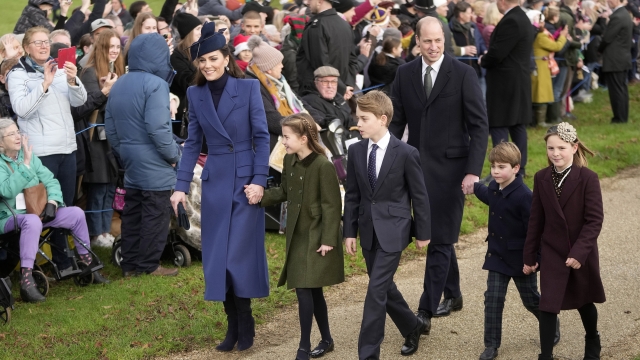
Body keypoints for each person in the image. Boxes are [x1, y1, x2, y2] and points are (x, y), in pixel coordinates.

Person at [169, 23, 269, 352]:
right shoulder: (195, 94)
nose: (208, 65)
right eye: (202, 61)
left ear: (226, 58)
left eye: (214, 58)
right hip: (214, 184)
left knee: (236, 259)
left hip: (244, 186)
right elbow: (192, 141)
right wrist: (180, 187)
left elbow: (262, 138)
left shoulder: (250, 89)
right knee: (216, 259)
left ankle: (245, 320)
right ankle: (231, 325)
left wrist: (258, 180)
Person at [389, 17, 488, 330]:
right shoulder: (404, 74)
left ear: (445, 40)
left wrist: (473, 172)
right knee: (437, 237)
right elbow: (394, 121)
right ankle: (454, 293)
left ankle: (425, 311)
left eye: (438, 41)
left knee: (440, 238)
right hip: (415, 171)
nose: (433, 47)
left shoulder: (462, 73)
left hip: (453, 173)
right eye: (427, 41)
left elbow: (479, 126)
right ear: (417, 40)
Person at [344, 91, 431, 360]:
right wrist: (350, 232)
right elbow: (354, 195)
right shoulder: (356, 150)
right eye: (357, 118)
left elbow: (419, 195)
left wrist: (423, 233)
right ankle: (412, 325)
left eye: (364, 119)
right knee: (383, 286)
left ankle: (368, 354)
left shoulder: (406, 153)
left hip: (395, 229)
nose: (358, 123)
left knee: (375, 291)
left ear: (382, 119)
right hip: (369, 231)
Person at [259, 113, 344, 360]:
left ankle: (303, 346)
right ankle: (327, 339)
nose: (283, 141)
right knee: (311, 290)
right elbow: (285, 191)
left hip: (318, 235)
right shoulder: (288, 160)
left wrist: (329, 239)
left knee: (306, 289)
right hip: (297, 235)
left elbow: (331, 205)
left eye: (286, 137)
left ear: (304, 138)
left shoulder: (323, 165)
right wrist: (259, 197)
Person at [0, 119, 108, 304]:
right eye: (11, 134)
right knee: (32, 221)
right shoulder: (12, 161)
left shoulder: (29, 156)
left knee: (75, 214)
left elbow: (50, 180)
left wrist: (53, 201)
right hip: (10, 217)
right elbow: (7, 191)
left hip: (37, 210)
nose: (18, 136)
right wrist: (25, 165)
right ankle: (27, 280)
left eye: (18, 131)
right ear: (1, 142)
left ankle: (87, 263)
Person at [8, 26, 88, 276]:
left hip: (67, 146)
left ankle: (65, 261)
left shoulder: (59, 67)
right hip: (41, 151)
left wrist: (73, 80)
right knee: (45, 208)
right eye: (38, 42)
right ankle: (60, 262)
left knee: (66, 206)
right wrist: (44, 84)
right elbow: (22, 110)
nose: (44, 46)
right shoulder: (18, 74)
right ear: (26, 47)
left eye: (46, 42)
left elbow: (80, 101)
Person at [523, 123, 605, 360]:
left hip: (581, 251)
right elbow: (535, 220)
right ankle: (546, 355)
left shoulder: (588, 178)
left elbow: (594, 220)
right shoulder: (541, 178)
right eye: (551, 148)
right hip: (552, 251)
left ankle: (592, 340)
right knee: (547, 305)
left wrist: (580, 253)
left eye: (561, 148)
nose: (555, 153)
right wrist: (529, 256)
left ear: (574, 147)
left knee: (584, 301)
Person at [472, 142, 559, 360]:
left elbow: (537, 230)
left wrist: (535, 259)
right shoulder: (494, 187)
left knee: (531, 300)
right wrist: (472, 185)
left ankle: (551, 322)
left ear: (516, 168)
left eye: (501, 167)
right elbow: (488, 195)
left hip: (522, 259)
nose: (495, 171)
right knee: (492, 299)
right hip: (497, 256)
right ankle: (491, 345)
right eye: (493, 166)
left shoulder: (524, 196)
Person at [105, 33, 181, 277]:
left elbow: (110, 126)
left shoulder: (120, 82)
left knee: (133, 211)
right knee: (155, 213)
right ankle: (148, 265)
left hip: (129, 157)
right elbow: (158, 128)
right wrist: (174, 154)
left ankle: (130, 265)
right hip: (154, 159)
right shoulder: (156, 84)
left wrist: (123, 151)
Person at [79, 29, 123, 248]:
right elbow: (90, 106)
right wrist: (108, 91)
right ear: (101, 48)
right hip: (95, 138)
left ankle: (106, 230)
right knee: (98, 186)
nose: (114, 51)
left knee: (110, 186)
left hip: (112, 137)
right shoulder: (89, 72)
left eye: (117, 47)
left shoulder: (117, 69)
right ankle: (96, 233)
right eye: (110, 47)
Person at [480, 0, 534, 177]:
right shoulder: (521, 17)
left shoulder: (512, 20)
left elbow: (497, 53)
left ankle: (502, 167)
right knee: (517, 124)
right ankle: (519, 167)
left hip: (505, 82)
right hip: (516, 79)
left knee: (500, 124)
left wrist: (484, 60)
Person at [244, 36, 324, 152]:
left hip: (289, 132)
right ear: (269, 69)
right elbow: (271, 119)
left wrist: (316, 118)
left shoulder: (279, 81)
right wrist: (306, 126)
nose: (282, 66)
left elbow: (299, 102)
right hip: (270, 144)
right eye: (279, 63)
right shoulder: (252, 86)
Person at [296, 0, 371, 96]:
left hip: (319, 92)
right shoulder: (344, 25)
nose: (307, 3)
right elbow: (352, 61)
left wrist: (343, 88)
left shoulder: (317, 26)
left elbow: (320, 63)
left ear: (319, 2)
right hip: (336, 90)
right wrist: (346, 86)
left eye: (310, 0)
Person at [529, 10, 568, 127]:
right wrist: (563, 37)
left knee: (542, 93)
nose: (542, 24)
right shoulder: (540, 36)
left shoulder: (540, 34)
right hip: (540, 67)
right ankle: (540, 121)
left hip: (542, 66)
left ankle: (540, 120)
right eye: (539, 22)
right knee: (540, 94)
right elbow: (556, 46)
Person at [598, 0, 633, 123]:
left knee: (616, 90)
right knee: (621, 89)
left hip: (615, 59)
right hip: (621, 58)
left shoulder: (618, 16)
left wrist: (599, 49)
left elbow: (607, 37)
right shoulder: (624, 13)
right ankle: (622, 116)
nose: (608, 1)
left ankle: (619, 117)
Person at [301, 66, 357, 135]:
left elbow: (350, 120)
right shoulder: (310, 101)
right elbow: (328, 130)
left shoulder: (338, 97)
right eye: (325, 82)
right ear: (316, 83)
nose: (330, 86)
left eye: (333, 82)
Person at [170, 12, 203, 124]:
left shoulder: (200, 52)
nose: (201, 32)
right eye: (198, 29)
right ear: (189, 32)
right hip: (184, 116)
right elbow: (189, 83)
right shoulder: (176, 57)